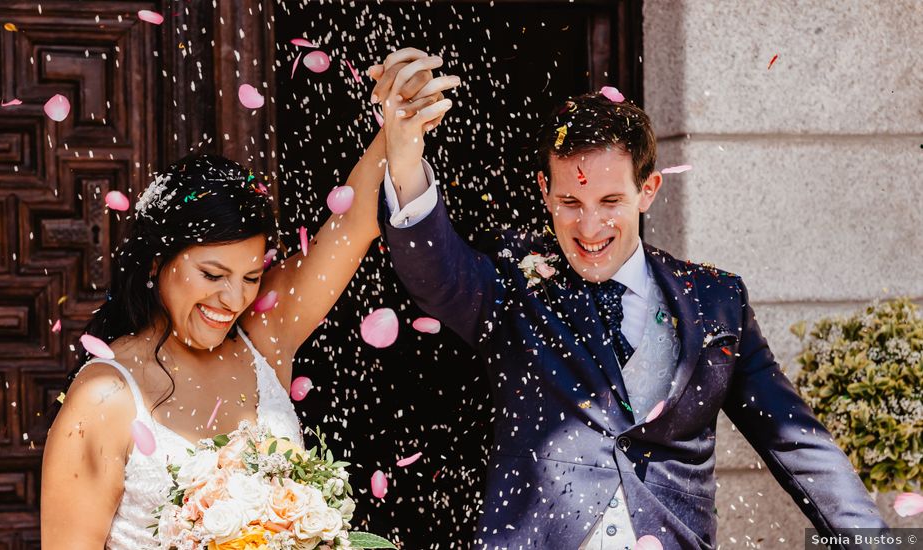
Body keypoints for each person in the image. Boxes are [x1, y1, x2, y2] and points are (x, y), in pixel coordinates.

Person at [379, 87, 889, 548]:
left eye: (610, 201)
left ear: (649, 190)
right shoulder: (512, 280)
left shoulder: (718, 298)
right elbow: (435, 272)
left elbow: (798, 443)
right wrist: (403, 154)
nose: (590, 225)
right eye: (570, 201)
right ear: (543, 190)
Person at [40, 50, 459, 549]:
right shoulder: (103, 399)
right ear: (157, 262)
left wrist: (400, 122)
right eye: (212, 274)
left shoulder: (264, 334)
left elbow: (352, 225)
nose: (233, 298)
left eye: (251, 276)